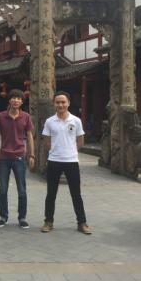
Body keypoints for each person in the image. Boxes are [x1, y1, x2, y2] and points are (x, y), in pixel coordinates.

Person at [41, 91, 91, 235]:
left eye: (63, 102)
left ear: (68, 103)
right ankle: (48, 221)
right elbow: (46, 142)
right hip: (54, 161)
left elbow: (80, 141)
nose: (60, 105)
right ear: (54, 104)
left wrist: (70, 151)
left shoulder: (76, 121)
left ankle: (82, 222)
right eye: (58, 102)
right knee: (51, 193)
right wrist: (56, 151)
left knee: (76, 194)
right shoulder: (50, 121)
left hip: (71, 161)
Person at [0, 89, 35, 229]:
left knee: (22, 189)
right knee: (3, 190)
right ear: (9, 100)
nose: (16, 100)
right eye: (13, 98)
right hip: (4, 157)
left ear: (22, 102)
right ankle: (3, 217)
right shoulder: (1, 116)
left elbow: (29, 136)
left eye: (19, 98)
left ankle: (22, 217)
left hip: (19, 157)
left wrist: (31, 155)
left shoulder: (26, 117)